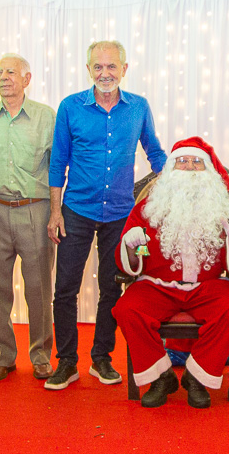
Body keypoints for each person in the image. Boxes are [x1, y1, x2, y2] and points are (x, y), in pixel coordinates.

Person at [46, 40, 167, 391]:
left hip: (119, 214)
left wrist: (178, 179)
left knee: (112, 288)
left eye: (111, 66)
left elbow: (155, 152)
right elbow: (58, 162)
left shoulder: (139, 107)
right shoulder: (70, 107)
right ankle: (66, 361)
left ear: (124, 69)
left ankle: (101, 357)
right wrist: (55, 212)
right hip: (76, 211)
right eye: (98, 67)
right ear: (88, 70)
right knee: (65, 289)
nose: (105, 73)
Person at [113, 138, 229, 408]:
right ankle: (161, 378)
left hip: (208, 286)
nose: (189, 167)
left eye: (196, 162)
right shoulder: (147, 208)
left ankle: (197, 377)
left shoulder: (223, 208)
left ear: (208, 170)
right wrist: (132, 248)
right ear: (170, 169)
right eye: (182, 161)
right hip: (157, 285)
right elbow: (134, 260)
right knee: (127, 309)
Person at [0, 54, 56, 383]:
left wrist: (56, 212)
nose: (4, 77)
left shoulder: (45, 117)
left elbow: (57, 166)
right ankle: (2, 356)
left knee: (38, 287)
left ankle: (40, 355)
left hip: (35, 209)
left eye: (11, 72)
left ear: (27, 79)